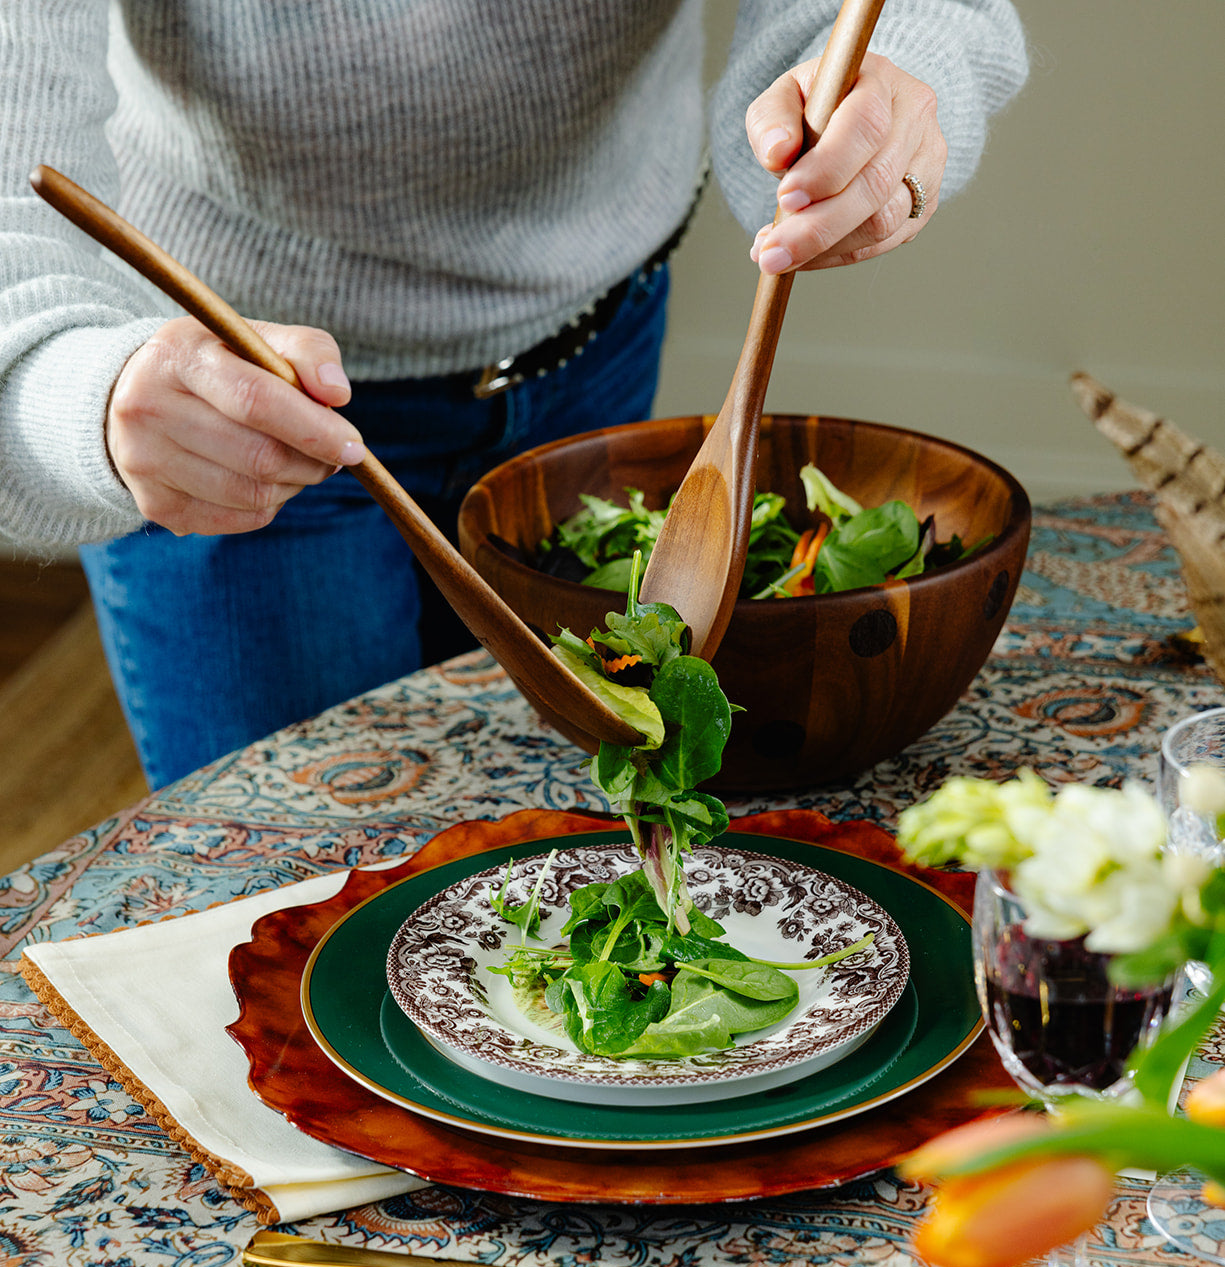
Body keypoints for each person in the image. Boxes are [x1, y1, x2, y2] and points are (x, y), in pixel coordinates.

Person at [0, 1, 1027, 790]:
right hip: (229, 409)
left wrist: (884, 92)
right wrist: (85, 403)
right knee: (296, 927)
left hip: (601, 347)